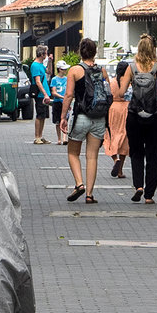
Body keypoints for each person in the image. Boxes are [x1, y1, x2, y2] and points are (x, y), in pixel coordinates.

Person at [118, 34, 157, 203]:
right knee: (153, 155)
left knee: (136, 153)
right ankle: (149, 195)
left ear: (138, 49)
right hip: (154, 116)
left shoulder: (131, 67)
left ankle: (138, 187)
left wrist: (126, 83)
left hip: (134, 116)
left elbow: (121, 93)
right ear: (153, 50)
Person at [60, 37, 110, 203]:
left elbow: (68, 95)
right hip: (99, 118)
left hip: (81, 116)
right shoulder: (102, 71)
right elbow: (109, 93)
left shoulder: (74, 70)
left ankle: (79, 183)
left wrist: (63, 117)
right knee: (92, 157)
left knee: (73, 152)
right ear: (94, 52)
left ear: (80, 52)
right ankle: (89, 194)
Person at [106, 57, 131, 178]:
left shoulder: (112, 82)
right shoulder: (129, 82)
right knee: (124, 138)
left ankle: (115, 159)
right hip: (126, 109)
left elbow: (108, 95)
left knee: (112, 136)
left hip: (113, 109)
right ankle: (120, 171)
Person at [30, 45, 53, 145]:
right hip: (40, 95)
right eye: (46, 53)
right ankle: (37, 137)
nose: (46, 55)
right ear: (42, 54)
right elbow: (38, 81)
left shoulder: (40, 65)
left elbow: (49, 72)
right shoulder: (35, 65)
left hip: (45, 94)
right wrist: (44, 94)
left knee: (43, 115)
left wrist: (50, 62)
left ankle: (40, 135)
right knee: (39, 115)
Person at [50, 61, 69, 144]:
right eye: (63, 69)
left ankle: (65, 137)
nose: (65, 71)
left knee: (65, 119)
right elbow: (53, 92)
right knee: (57, 121)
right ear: (59, 69)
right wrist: (62, 97)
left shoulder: (67, 79)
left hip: (65, 102)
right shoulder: (54, 79)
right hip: (57, 102)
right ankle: (59, 138)